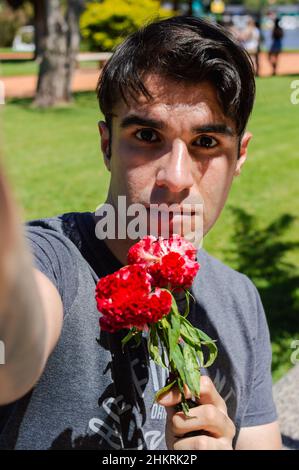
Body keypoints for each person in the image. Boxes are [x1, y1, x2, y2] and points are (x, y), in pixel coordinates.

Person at [0, 16, 282, 450]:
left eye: (207, 142)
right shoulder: (54, 261)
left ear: (239, 156)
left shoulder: (240, 302)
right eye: (147, 135)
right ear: (106, 144)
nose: (175, 176)